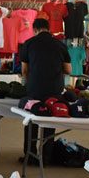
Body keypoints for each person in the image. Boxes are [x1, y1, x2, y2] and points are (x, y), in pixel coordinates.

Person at [20, 18, 72, 164]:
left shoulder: (28, 44)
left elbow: (24, 70)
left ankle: (30, 156)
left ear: (35, 30)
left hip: (34, 89)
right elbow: (68, 70)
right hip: (54, 89)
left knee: (32, 120)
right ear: (49, 29)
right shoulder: (60, 45)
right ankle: (46, 157)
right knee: (50, 121)